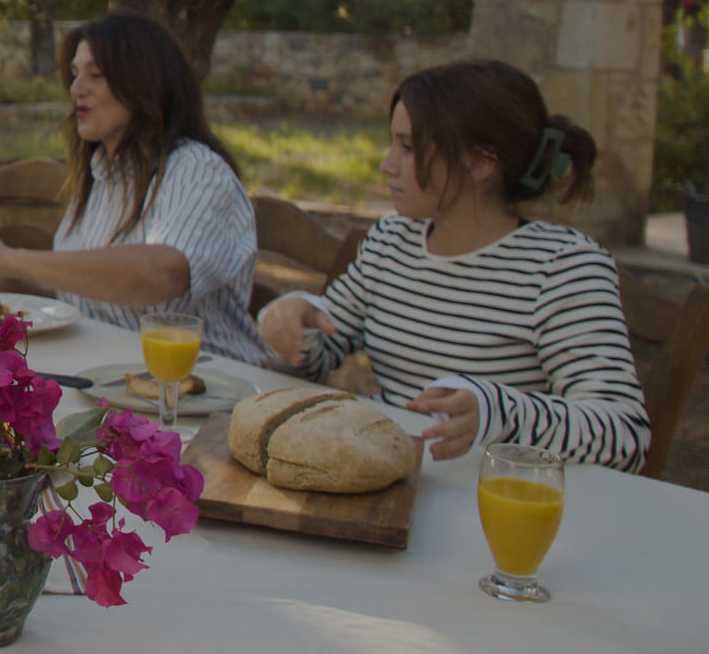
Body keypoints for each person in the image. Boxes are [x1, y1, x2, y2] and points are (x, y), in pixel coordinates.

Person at [259, 60, 650, 470]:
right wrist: (288, 327)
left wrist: (497, 414)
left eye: (408, 148)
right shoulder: (393, 239)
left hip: (489, 501)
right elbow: (320, 351)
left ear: (480, 162)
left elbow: (625, 437)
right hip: (389, 480)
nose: (386, 164)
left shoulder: (562, 268)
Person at [0, 13, 263, 362]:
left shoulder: (197, 169)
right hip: (110, 368)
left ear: (146, 81)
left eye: (96, 74)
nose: (76, 89)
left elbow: (162, 274)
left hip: (208, 385)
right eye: (75, 74)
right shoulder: (101, 174)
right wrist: (1, 276)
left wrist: (11, 258)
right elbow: (82, 297)